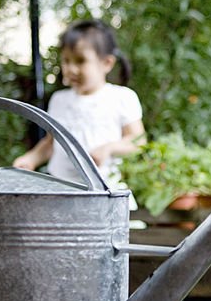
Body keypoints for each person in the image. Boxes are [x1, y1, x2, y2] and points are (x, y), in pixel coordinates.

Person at [13, 19, 145, 191]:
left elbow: (138, 142)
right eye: (66, 61)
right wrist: (31, 158)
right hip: (60, 190)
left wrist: (109, 148)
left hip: (105, 193)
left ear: (107, 63)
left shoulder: (121, 97)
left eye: (81, 61)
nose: (71, 69)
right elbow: (51, 143)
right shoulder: (59, 100)